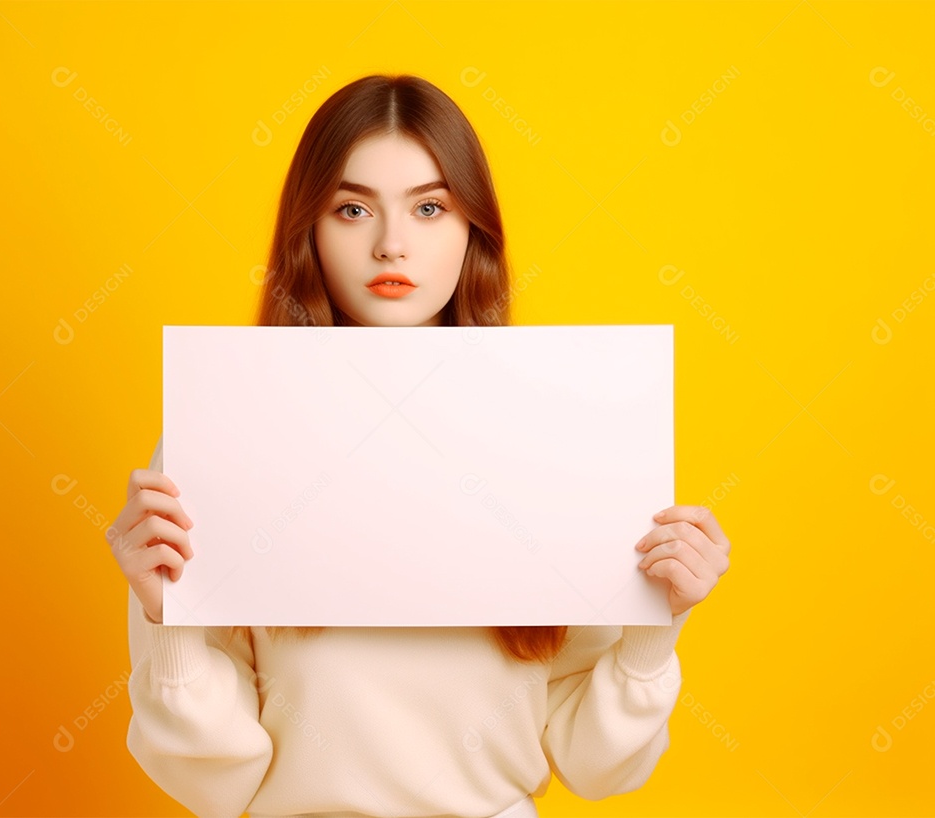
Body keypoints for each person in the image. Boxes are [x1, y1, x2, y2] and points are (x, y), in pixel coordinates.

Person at [107, 74, 732, 818]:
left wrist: (656, 625)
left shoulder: (557, 425)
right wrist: (165, 618)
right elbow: (216, 782)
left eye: (430, 207)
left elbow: (594, 767)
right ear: (308, 229)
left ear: (475, 231)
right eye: (352, 209)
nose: (391, 244)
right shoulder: (222, 426)